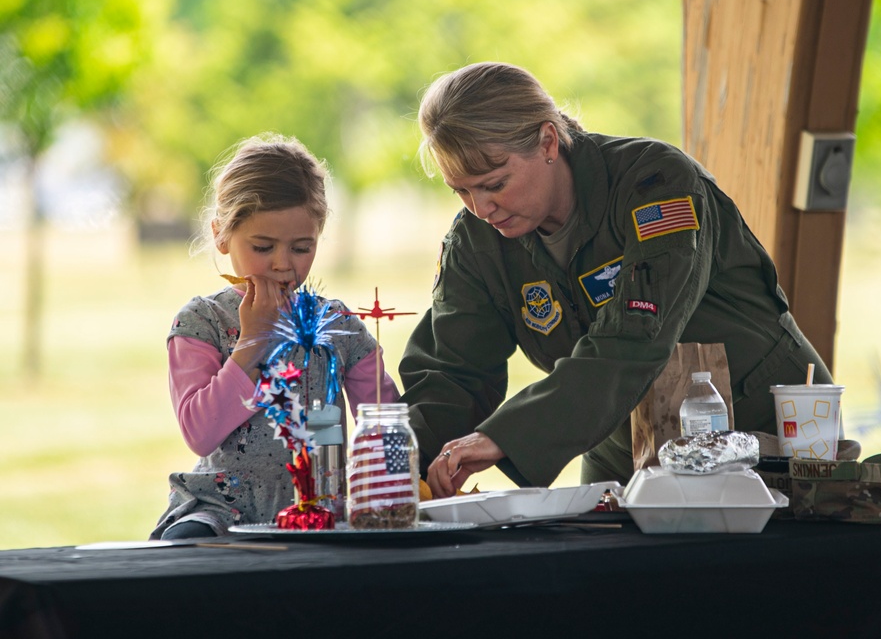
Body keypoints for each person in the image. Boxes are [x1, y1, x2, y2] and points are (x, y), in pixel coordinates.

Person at [398, 62, 834, 498]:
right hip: (622, 444)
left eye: (495, 184)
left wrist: (506, 436)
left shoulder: (655, 184)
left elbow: (634, 338)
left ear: (548, 141)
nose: (481, 208)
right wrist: (395, 462)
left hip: (761, 432)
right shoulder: (476, 242)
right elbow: (454, 373)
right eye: (461, 190)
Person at [150, 133, 399, 539]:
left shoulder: (337, 325)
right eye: (263, 247)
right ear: (221, 234)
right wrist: (252, 341)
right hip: (221, 508)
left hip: (320, 509)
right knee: (183, 550)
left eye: (302, 247)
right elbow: (200, 433)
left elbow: (385, 420)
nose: (284, 264)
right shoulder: (202, 321)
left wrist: (396, 487)